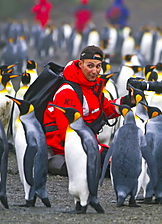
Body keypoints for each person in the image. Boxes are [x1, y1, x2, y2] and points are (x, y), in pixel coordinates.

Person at [43, 45, 135, 176]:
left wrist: (127, 101)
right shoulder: (67, 92)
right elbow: (69, 134)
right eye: (90, 66)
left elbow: (104, 109)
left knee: (126, 162)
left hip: (87, 143)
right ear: (80, 64)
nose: (95, 71)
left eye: (98, 66)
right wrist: (102, 152)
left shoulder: (90, 86)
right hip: (64, 149)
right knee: (118, 167)